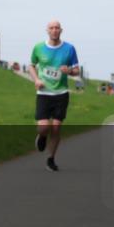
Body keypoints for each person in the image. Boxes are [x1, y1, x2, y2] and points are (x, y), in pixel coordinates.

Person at [29, 20, 80, 172]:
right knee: (44, 127)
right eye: (51, 28)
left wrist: (69, 71)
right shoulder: (38, 47)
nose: (54, 30)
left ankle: (51, 159)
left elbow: (77, 70)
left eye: (57, 28)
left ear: (61, 30)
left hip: (61, 93)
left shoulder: (69, 48)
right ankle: (42, 137)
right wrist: (36, 79)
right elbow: (31, 65)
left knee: (56, 127)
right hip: (44, 93)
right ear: (47, 30)